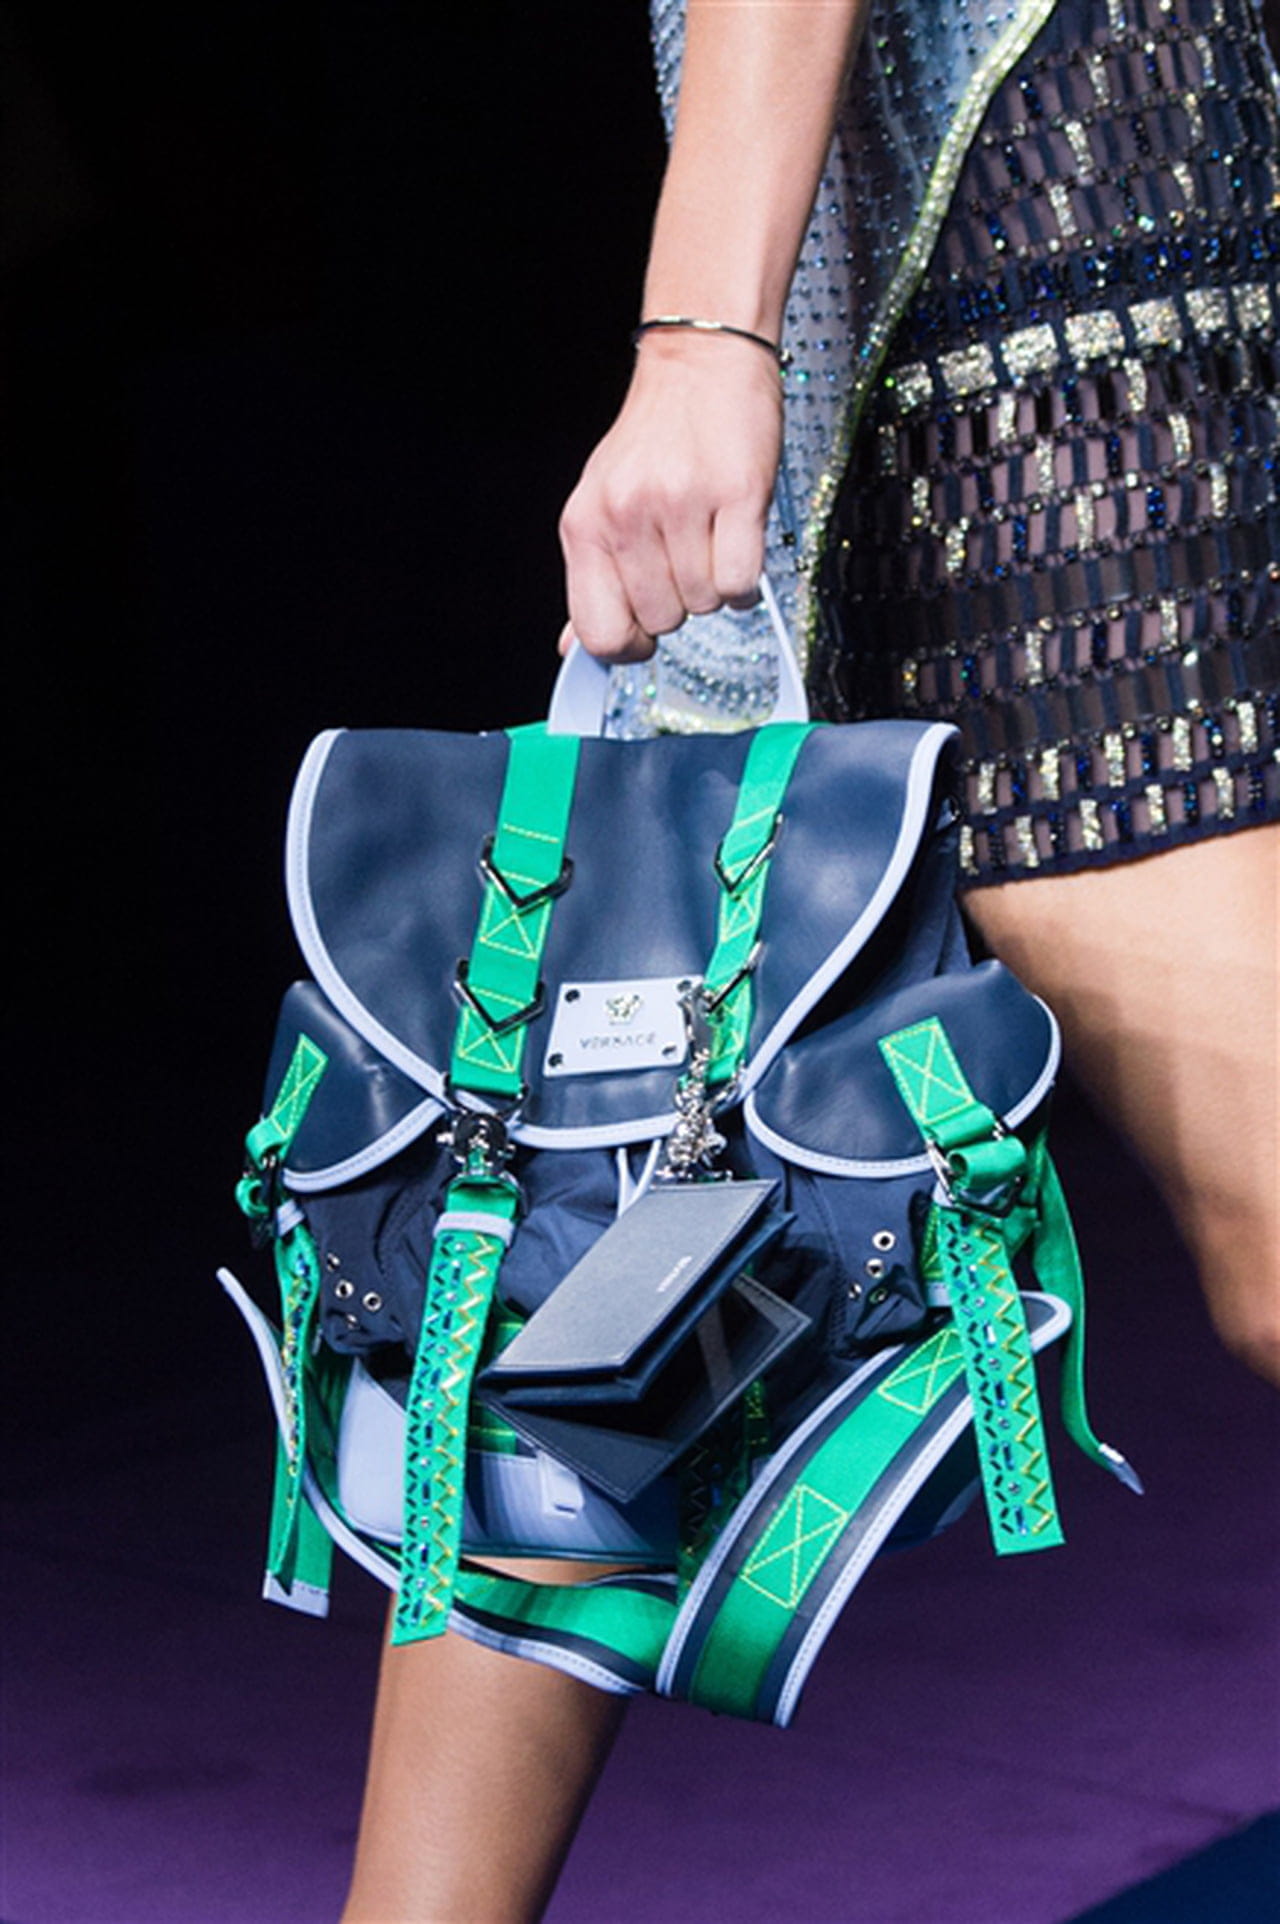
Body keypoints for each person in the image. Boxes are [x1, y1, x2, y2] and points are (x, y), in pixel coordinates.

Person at [343, 1, 1278, 1917]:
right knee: (619, 1188)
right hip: (1078, 242)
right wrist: (707, 331)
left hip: (1179, 209)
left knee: (609, 1216)